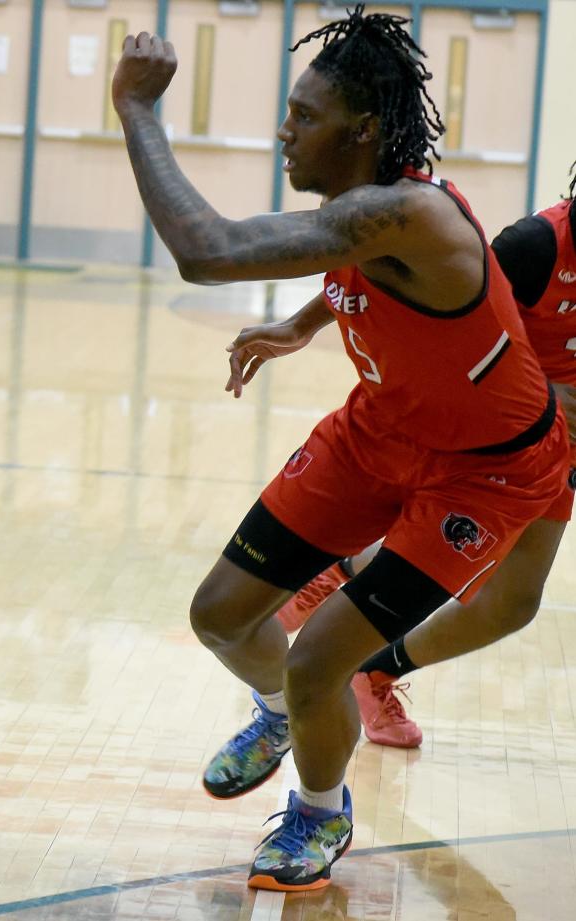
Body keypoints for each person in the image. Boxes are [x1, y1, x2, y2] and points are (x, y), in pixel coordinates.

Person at [111, 8, 568, 892]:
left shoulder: (407, 213)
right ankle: (281, 712)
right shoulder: (367, 212)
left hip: (489, 471)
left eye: (304, 117)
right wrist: (301, 321)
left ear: (362, 130)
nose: (286, 130)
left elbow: (208, 251)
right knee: (218, 614)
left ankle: (321, 812)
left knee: (323, 654)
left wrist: (138, 112)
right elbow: (353, 267)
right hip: (381, 430)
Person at [271, 162, 576, 749]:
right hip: (490, 429)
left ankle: (375, 663)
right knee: (446, 550)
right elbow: (406, 291)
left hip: (560, 451)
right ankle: (339, 576)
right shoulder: (536, 246)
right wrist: (301, 324)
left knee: (513, 603)